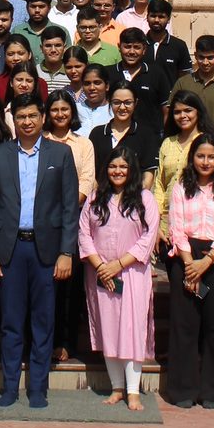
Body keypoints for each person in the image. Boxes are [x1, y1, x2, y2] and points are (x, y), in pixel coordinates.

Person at [0, 94, 79, 408]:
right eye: (21, 116)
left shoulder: (61, 154)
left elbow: (68, 209)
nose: (27, 122)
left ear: (42, 118)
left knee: (43, 320)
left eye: (32, 116)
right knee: (11, 321)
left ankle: (38, 388)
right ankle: (10, 387)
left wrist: (67, 251)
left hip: (45, 251)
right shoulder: (0, 154)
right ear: (15, 120)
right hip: (10, 250)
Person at [78, 146, 159, 412]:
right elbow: (84, 235)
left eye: (123, 166)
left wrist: (118, 264)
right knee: (108, 329)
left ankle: (133, 391)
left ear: (132, 169)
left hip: (132, 272)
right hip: (100, 274)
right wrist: (101, 266)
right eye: (113, 166)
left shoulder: (144, 199)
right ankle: (116, 387)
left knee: (132, 330)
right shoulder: (94, 198)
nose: (118, 171)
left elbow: (148, 238)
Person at [168, 131, 214, 411]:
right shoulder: (181, 187)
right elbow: (176, 225)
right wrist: (189, 264)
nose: (206, 161)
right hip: (186, 258)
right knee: (184, 327)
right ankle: (182, 389)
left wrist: (206, 261)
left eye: (212, 156)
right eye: (200, 156)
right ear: (192, 158)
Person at [45, 88, 95, 365]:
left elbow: (87, 179)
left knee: (70, 285)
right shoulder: (39, 141)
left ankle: (65, 342)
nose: (60, 114)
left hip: (74, 219)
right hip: (43, 223)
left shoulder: (83, 144)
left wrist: (66, 207)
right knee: (46, 284)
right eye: (54, 109)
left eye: (65, 109)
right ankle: (46, 339)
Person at [154, 90, 211, 246]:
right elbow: (160, 183)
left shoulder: (206, 143)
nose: (182, 116)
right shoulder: (167, 143)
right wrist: (156, 221)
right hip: (167, 222)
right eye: (177, 112)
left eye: (188, 110)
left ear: (198, 112)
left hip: (197, 223)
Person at [168, 35, 214, 149]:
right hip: (182, 145)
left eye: (210, 57)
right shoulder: (183, 83)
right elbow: (170, 114)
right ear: (196, 55)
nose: (205, 62)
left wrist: (204, 139)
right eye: (201, 57)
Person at [90, 81, 159, 187]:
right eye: (117, 102)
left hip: (134, 199)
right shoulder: (97, 134)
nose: (122, 107)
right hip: (102, 199)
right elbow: (92, 173)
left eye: (127, 102)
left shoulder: (146, 134)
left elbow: (148, 174)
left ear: (135, 103)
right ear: (109, 102)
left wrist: (137, 199)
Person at [146, 0, 191, 80]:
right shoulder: (139, 44)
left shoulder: (179, 46)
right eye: (153, 16)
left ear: (168, 19)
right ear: (147, 17)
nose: (156, 20)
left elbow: (185, 77)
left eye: (161, 17)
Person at [76, 64, 114, 135]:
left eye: (97, 83)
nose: (92, 88)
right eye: (87, 83)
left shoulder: (114, 111)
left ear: (107, 86)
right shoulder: (75, 109)